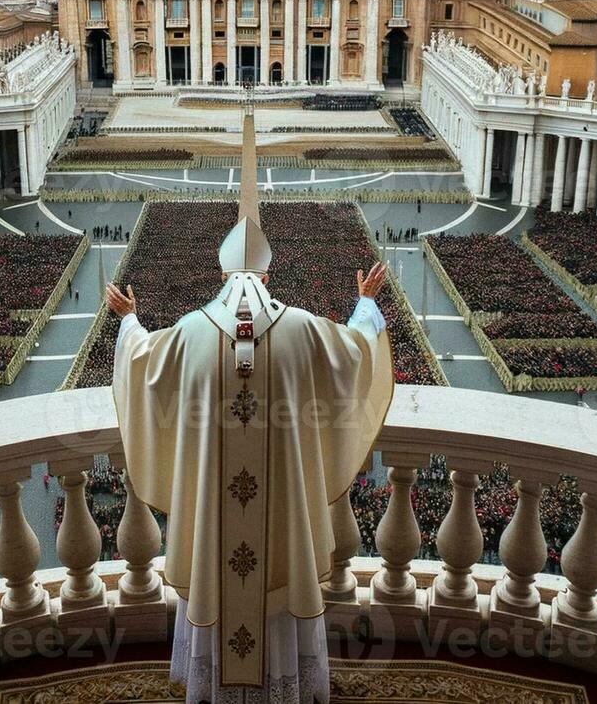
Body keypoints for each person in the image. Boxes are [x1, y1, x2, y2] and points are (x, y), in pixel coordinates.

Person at [109, 108, 394, 704]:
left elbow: (140, 366)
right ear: (268, 273)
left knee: (221, 577)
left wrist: (129, 318)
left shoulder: (189, 330)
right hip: (282, 524)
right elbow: (357, 356)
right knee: (280, 595)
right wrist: (365, 304)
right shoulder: (302, 329)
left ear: (219, 271)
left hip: (217, 522)